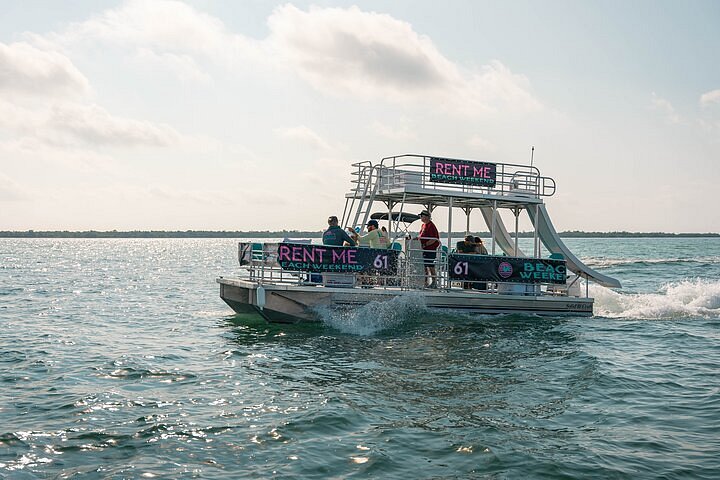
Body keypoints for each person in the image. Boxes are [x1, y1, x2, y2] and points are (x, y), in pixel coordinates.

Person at [416, 209, 440, 288]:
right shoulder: (423, 225)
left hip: (430, 249)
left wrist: (425, 244)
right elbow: (421, 235)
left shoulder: (431, 226)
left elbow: (434, 239)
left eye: (421, 216)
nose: (420, 218)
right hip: (424, 249)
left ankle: (434, 282)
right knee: (425, 266)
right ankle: (425, 282)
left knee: (430, 265)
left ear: (426, 217)